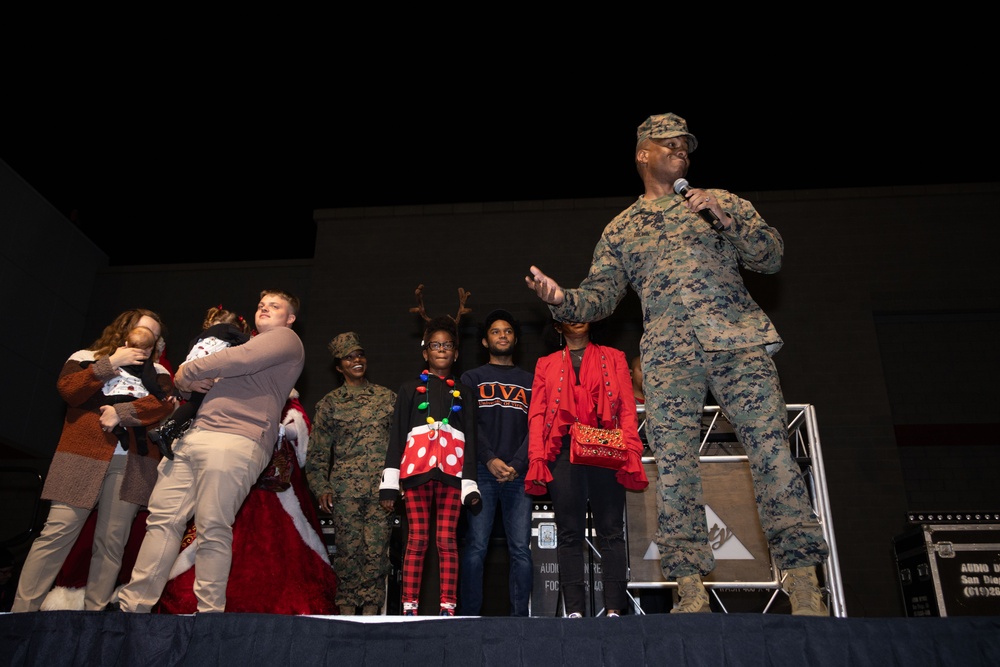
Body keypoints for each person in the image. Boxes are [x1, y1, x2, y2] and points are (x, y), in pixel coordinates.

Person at [524, 112, 830, 616]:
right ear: (643, 152)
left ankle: (804, 583)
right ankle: (689, 586)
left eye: (686, 146)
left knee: (773, 453)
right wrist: (562, 300)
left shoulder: (720, 202)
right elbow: (599, 297)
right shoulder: (621, 229)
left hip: (737, 343)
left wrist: (725, 219)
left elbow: (770, 256)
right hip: (669, 358)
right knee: (674, 468)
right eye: (669, 144)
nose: (681, 151)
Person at [118, 288, 305, 614]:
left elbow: (237, 360)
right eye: (261, 304)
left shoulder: (286, 340)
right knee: (162, 521)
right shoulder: (243, 342)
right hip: (194, 436)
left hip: (236, 439)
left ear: (290, 318)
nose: (264, 309)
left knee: (212, 526)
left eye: (274, 306)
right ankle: (133, 610)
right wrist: (192, 379)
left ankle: (208, 620)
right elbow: (196, 381)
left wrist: (187, 372)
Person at [11, 309, 174, 613]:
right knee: (56, 535)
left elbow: (164, 407)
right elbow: (69, 390)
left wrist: (121, 414)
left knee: (112, 545)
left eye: (153, 335)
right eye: (142, 330)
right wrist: (111, 364)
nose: (146, 339)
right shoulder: (86, 357)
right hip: (80, 457)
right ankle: (20, 614)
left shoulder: (159, 374)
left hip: (134, 464)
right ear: (124, 330)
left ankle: (92, 619)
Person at [155, 390, 339, 614]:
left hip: (275, 487)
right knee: (219, 529)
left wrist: (280, 429)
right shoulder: (231, 387)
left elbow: (299, 423)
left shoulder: (284, 392)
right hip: (234, 472)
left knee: (281, 543)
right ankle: (210, 600)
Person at [524, 319, 647, 618]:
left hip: (606, 445)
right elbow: (537, 413)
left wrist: (631, 449)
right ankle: (575, 612)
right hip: (563, 451)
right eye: (569, 315)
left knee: (611, 531)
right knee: (569, 533)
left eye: (582, 314)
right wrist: (537, 456)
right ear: (557, 326)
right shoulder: (546, 363)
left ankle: (615, 609)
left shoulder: (615, 356)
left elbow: (627, 410)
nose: (576, 320)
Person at [379, 309, 481, 617]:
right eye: (435, 345)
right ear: (425, 351)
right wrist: (389, 485)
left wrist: (470, 482)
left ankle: (447, 607)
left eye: (447, 345)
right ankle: (410, 607)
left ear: (456, 352)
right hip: (415, 474)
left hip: (452, 475)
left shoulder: (465, 390)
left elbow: (472, 440)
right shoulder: (409, 388)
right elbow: (397, 435)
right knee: (417, 540)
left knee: (447, 541)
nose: (441, 350)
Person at [306, 331, 397, 616]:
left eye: (359, 354)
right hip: (345, 493)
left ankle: (371, 615)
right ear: (338, 367)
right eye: (349, 357)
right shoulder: (330, 404)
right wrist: (321, 487)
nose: (356, 360)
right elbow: (318, 453)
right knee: (347, 554)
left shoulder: (387, 398)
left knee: (376, 554)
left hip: (381, 492)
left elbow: (402, 446)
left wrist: (396, 485)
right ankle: (345, 615)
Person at [458, 309, 534, 616]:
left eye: (507, 331)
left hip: (520, 474)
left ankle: (520, 619)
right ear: (485, 342)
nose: (502, 335)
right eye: (495, 332)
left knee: (521, 551)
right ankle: (470, 617)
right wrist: (489, 459)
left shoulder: (532, 381)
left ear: (515, 339)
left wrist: (516, 463)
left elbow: (538, 427)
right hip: (481, 473)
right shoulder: (471, 378)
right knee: (476, 547)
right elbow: (466, 423)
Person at [148, 305, 251, 459]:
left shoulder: (201, 338)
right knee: (199, 402)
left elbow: (189, 354)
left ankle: (169, 429)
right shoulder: (227, 330)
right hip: (206, 368)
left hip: (191, 368)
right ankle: (167, 430)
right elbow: (246, 345)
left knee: (195, 403)